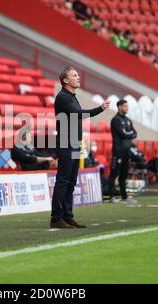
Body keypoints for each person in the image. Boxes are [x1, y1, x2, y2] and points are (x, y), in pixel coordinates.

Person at [50, 67, 110, 229]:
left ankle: (68, 216)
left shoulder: (71, 97)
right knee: (63, 180)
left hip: (74, 142)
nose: (78, 77)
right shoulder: (63, 97)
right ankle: (56, 218)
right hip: (66, 142)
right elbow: (80, 113)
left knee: (71, 181)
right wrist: (100, 108)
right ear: (65, 81)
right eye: (74, 75)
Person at [108, 99, 137, 204]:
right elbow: (123, 135)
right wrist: (128, 134)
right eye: (125, 106)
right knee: (114, 174)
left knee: (124, 175)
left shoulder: (128, 120)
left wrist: (128, 133)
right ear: (119, 107)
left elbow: (135, 133)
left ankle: (124, 197)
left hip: (127, 151)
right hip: (118, 151)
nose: (127, 108)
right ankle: (111, 197)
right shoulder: (116, 120)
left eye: (127, 106)